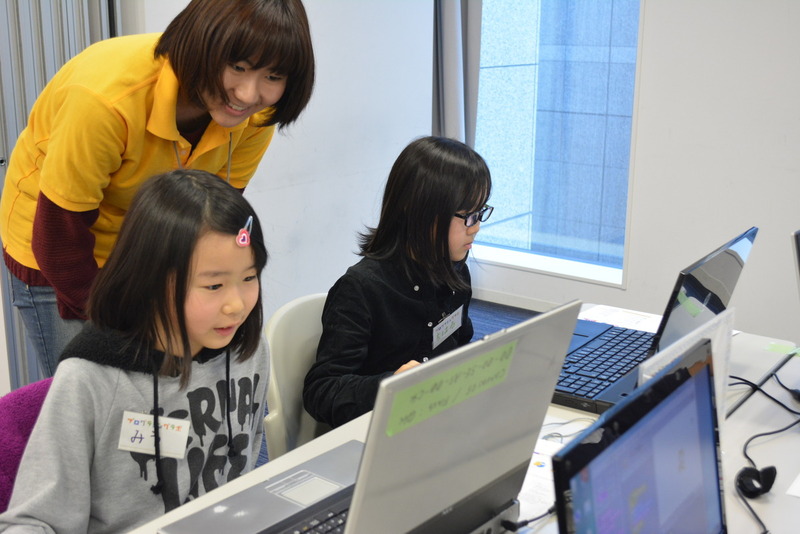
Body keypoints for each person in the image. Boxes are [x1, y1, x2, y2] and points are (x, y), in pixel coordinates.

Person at [0, 0, 314, 377]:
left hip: (145, 245)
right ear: (200, 43)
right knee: (94, 383)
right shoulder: (105, 99)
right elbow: (58, 240)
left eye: (273, 76)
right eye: (238, 67)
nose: (248, 94)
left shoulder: (256, 115)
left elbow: (211, 221)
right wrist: (127, 325)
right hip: (58, 246)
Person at [0, 169, 270, 533]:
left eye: (249, 278)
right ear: (152, 280)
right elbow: (32, 522)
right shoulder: (89, 379)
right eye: (214, 285)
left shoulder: (247, 350)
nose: (236, 305)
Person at [303, 136, 493, 428]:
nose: (476, 227)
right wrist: (391, 385)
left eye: (481, 213)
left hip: (433, 421)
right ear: (421, 213)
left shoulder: (456, 273)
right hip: (377, 430)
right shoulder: (361, 289)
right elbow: (322, 391)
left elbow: (458, 339)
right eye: (468, 216)